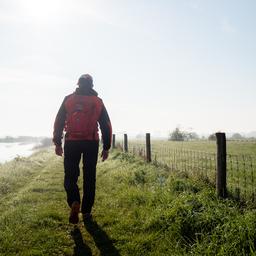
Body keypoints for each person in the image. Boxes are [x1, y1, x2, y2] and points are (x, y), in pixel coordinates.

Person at [53, 74, 112, 224]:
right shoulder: (97, 102)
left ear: (78, 84)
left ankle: (74, 201)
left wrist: (57, 143)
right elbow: (106, 125)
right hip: (91, 142)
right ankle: (86, 212)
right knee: (89, 177)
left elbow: (59, 121)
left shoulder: (69, 99)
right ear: (92, 85)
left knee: (70, 175)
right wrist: (106, 147)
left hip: (72, 142)